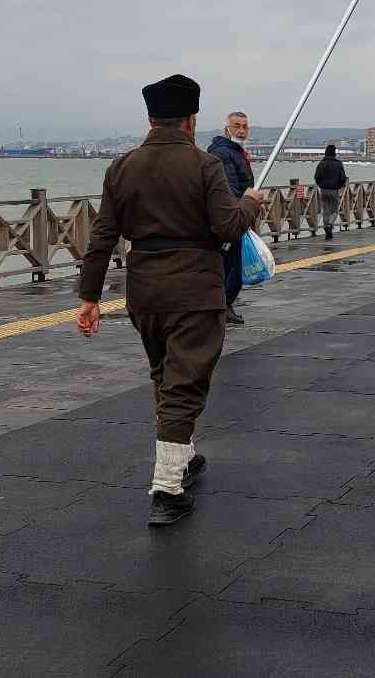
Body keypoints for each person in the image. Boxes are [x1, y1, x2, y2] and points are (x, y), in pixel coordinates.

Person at [76, 74, 267, 527]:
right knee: (185, 384)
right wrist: (250, 202)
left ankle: (183, 455)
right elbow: (226, 227)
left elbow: (103, 237)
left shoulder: (120, 167)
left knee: (166, 375)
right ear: (191, 120)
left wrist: (89, 297)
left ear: (150, 117)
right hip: (195, 290)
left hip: (144, 292)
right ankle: (167, 487)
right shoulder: (205, 166)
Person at [205, 112, 254, 325]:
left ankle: (223, 305)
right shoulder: (224, 153)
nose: (241, 131)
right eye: (236, 126)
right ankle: (223, 306)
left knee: (231, 262)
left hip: (238, 213)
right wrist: (243, 207)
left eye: (244, 127)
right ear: (226, 129)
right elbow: (230, 187)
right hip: (232, 216)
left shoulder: (235, 152)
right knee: (232, 263)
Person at [314, 144, 347, 241]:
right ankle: (330, 224)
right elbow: (343, 178)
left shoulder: (321, 163)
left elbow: (317, 177)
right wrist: (339, 186)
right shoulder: (338, 164)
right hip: (334, 190)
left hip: (323, 190)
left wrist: (321, 185)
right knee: (334, 211)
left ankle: (326, 228)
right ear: (334, 153)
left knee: (326, 211)